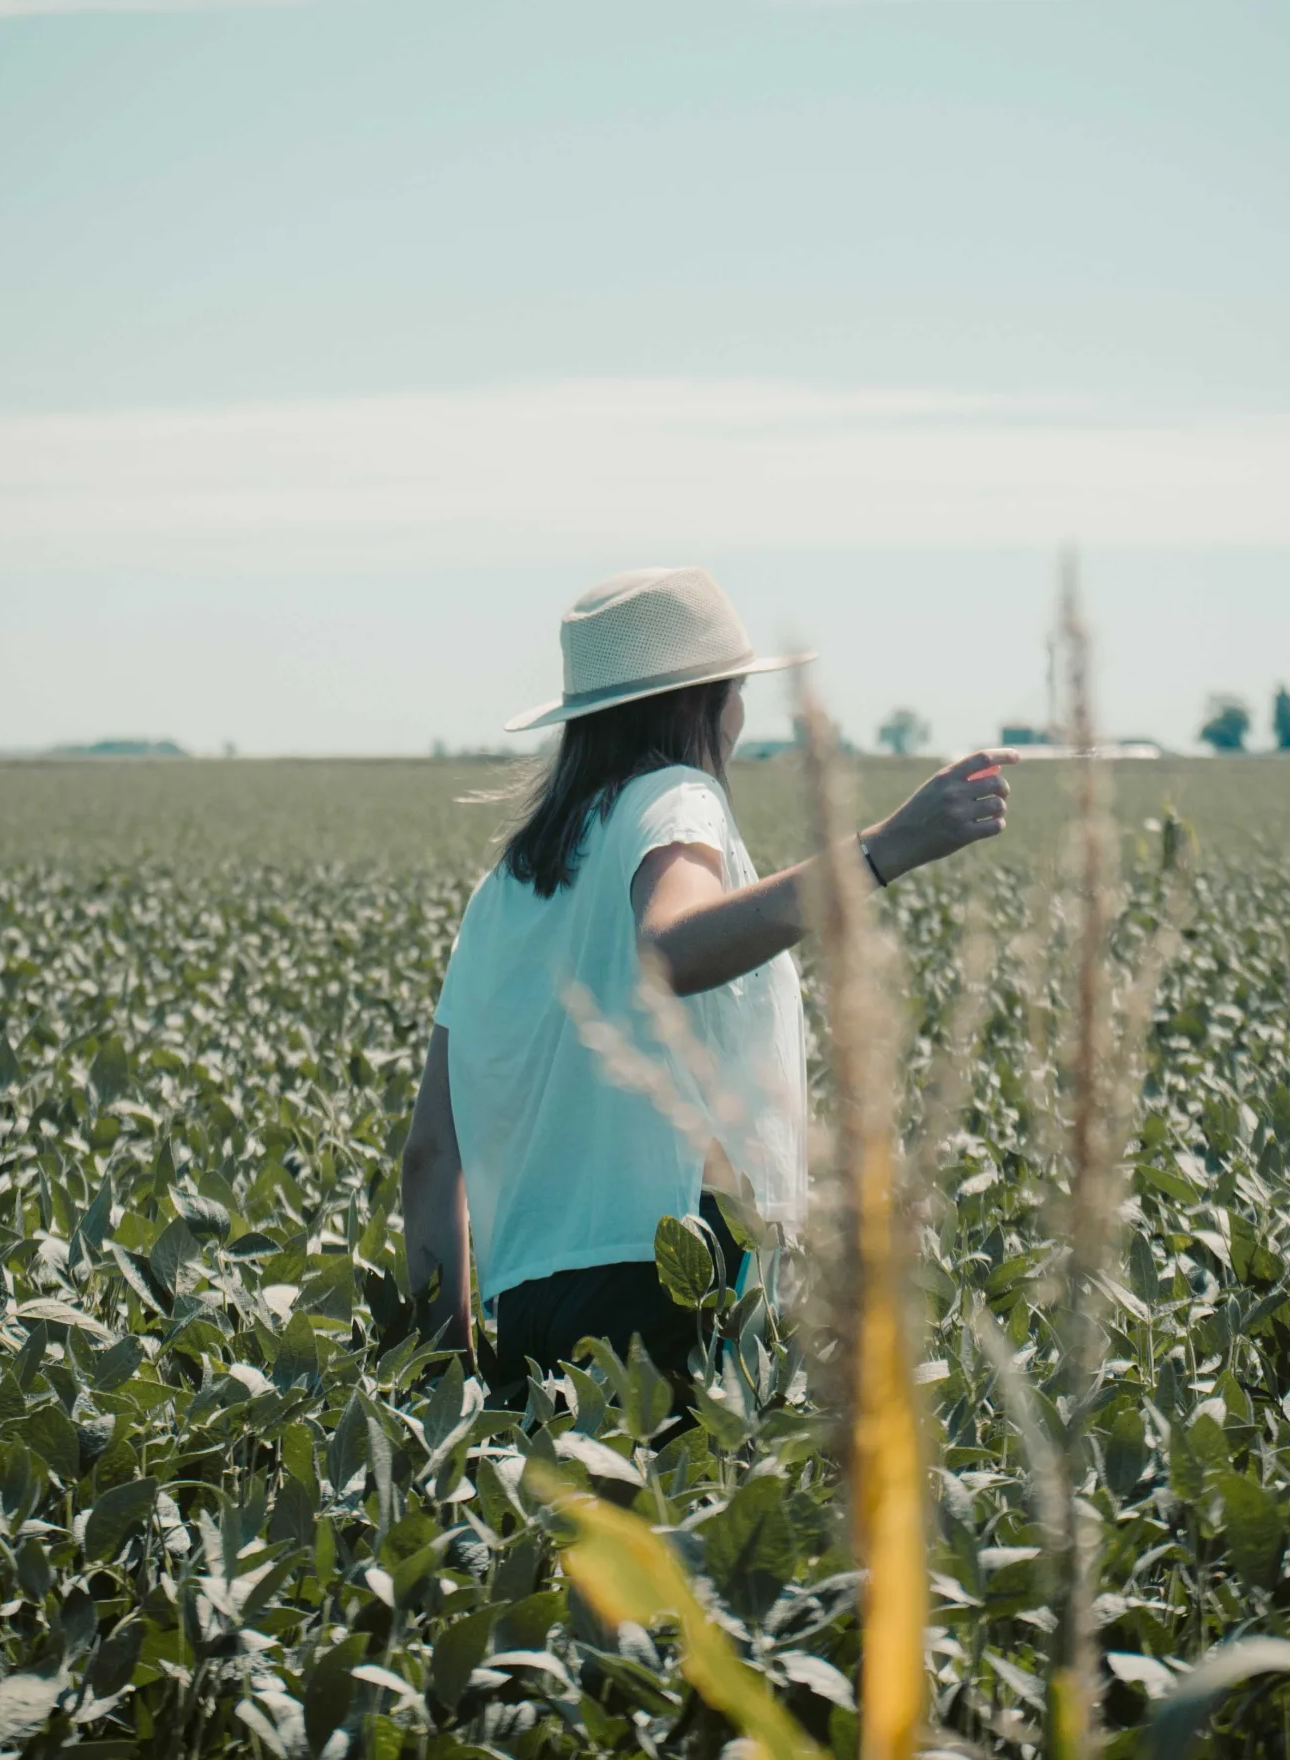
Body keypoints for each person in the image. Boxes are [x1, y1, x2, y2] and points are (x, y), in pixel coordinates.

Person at [400, 565, 1014, 1381]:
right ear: (700, 701)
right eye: (735, 692)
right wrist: (886, 849)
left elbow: (431, 1155)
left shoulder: (507, 887)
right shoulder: (674, 796)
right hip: (666, 1289)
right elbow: (673, 948)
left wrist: (448, 1376)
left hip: (527, 1313)